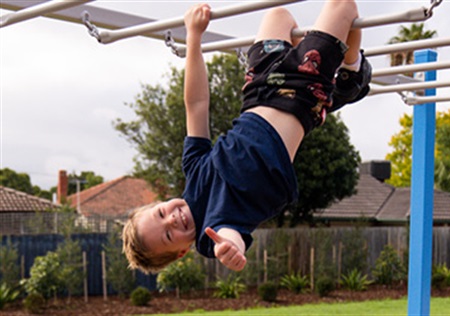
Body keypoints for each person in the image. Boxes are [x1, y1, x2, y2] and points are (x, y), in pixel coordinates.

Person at [122, 0, 371, 273]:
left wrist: (194, 38)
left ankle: (339, 83)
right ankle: (352, 71)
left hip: (259, 86)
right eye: (168, 235)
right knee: (343, 6)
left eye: (161, 213)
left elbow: (196, 104)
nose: (172, 219)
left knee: (278, 15)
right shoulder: (213, 230)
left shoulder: (193, 169)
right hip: (301, 92)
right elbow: (229, 237)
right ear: (181, 252)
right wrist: (229, 249)